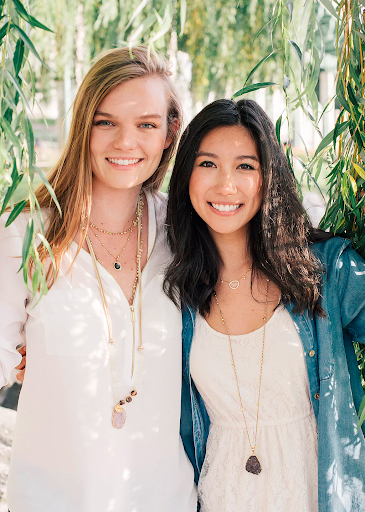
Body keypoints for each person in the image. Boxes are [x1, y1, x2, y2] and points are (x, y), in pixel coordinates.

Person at [0, 46, 196, 512]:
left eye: (146, 124)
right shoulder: (27, 234)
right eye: (105, 122)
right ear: (82, 126)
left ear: (170, 134)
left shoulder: (188, 233)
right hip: (53, 499)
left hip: (166, 498)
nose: (125, 142)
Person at [164, 98, 365, 512]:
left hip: (317, 491)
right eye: (207, 164)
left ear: (269, 176)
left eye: (245, 166)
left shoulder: (325, 270)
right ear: (185, 174)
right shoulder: (176, 285)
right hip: (222, 494)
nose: (225, 185)